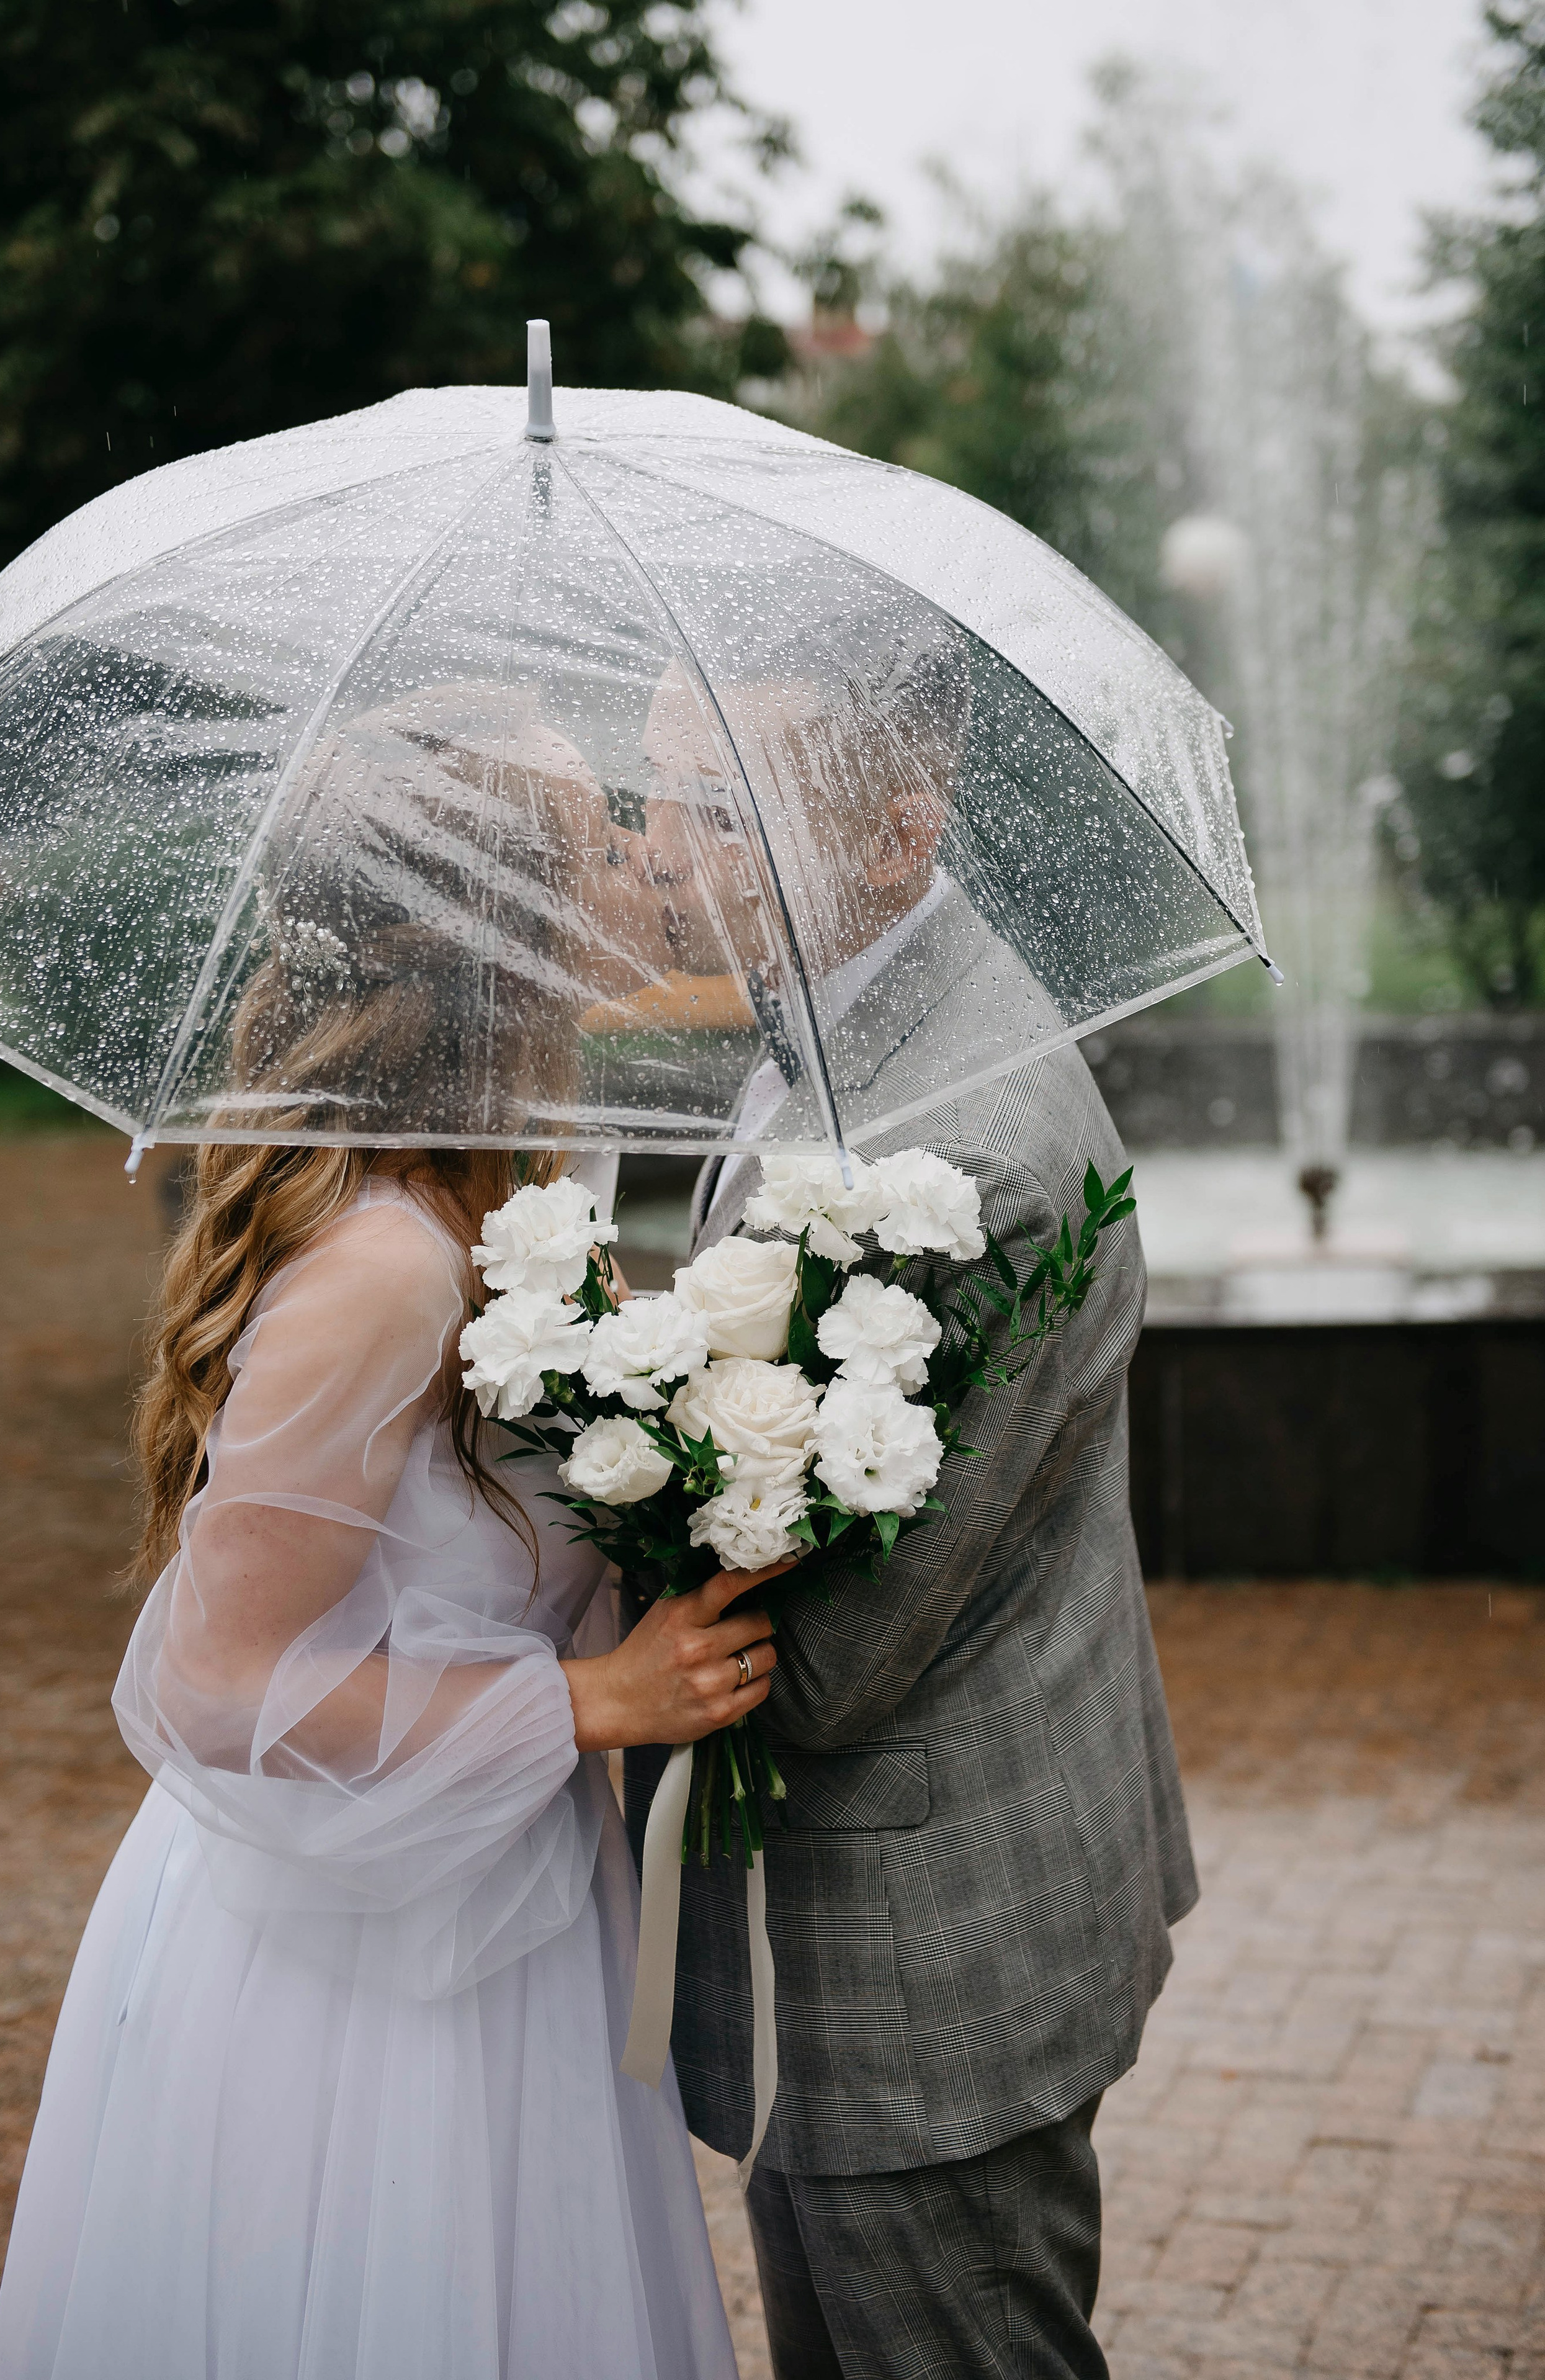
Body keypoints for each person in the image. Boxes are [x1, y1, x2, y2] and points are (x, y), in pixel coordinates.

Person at [0, 704, 770, 2380]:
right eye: (596, 837)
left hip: (495, 1901)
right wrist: (586, 1704)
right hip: (360, 1987)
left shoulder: (503, 1186)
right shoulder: (386, 1262)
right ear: (496, 927)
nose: (642, 856)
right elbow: (213, 1682)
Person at [625, 618, 1199, 2380]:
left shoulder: (975, 1157)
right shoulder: (840, 1009)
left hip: (924, 1968)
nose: (660, 851)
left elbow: (825, 1665)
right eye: (654, 796)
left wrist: (543, 1541)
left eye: (723, 810)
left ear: (898, 834)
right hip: (859, 1949)